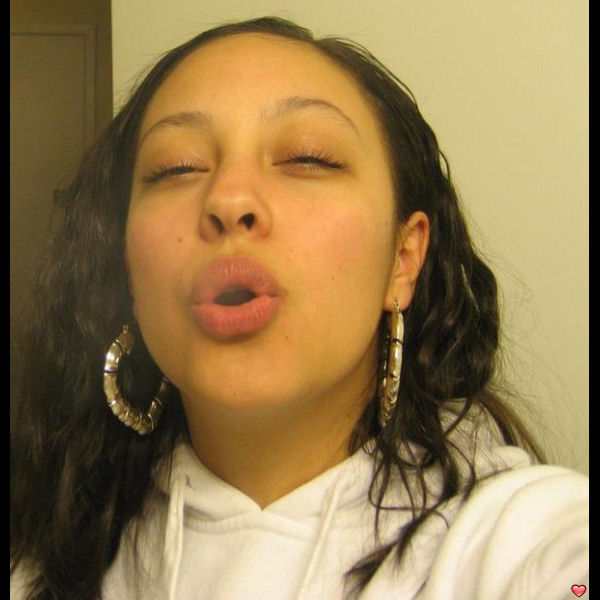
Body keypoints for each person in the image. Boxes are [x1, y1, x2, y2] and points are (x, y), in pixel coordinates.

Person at [10, 16, 588, 600]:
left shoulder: (526, 543)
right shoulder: (41, 566)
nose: (229, 199)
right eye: (176, 168)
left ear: (403, 259)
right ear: (127, 266)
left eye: (309, 158)